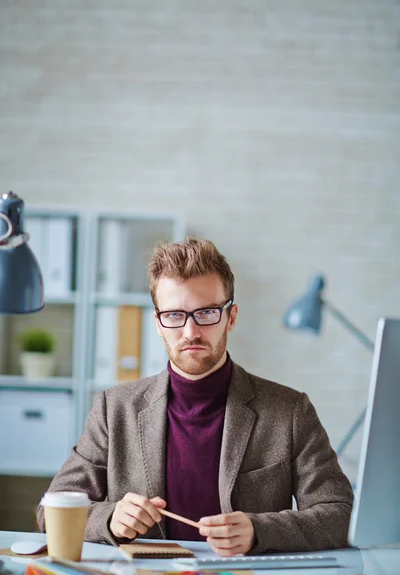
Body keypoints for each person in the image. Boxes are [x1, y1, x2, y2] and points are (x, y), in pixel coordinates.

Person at [37, 238, 353, 555]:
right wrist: (110, 518)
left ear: (231, 316)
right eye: (174, 315)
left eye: (206, 313)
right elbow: (49, 513)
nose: (190, 332)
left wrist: (260, 531)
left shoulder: (290, 411)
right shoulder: (113, 408)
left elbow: (341, 515)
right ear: (158, 324)